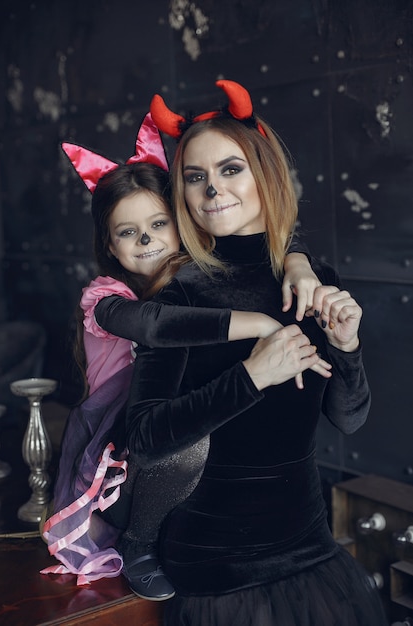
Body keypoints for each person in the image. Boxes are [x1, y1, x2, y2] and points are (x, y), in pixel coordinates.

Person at [122, 80, 388, 624]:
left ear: (264, 173)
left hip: (311, 551)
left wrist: (348, 346)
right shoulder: (181, 294)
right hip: (219, 569)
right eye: (195, 177)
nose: (212, 189)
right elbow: (144, 441)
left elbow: (350, 419)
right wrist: (252, 375)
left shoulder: (315, 281)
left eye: (230, 169)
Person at [41, 112, 329, 600]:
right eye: (127, 232)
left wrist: (297, 259)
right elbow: (157, 326)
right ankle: (139, 542)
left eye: (158, 224)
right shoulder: (105, 298)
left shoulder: (191, 276)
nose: (147, 239)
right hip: (119, 446)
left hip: (198, 471)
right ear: (108, 246)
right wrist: (260, 323)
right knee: (187, 444)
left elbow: (269, 239)